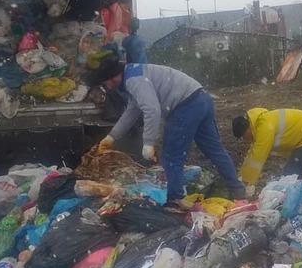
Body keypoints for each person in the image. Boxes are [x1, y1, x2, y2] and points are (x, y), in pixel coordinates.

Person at [96, 61, 245, 204]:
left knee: (171, 156)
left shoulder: (134, 80)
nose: (107, 87)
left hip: (185, 105)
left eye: (105, 83)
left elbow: (152, 109)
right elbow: (132, 111)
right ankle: (238, 191)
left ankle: (175, 200)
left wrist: (148, 143)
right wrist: (111, 137)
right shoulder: (133, 74)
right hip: (201, 98)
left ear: (114, 77)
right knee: (214, 149)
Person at [233, 108, 302, 188]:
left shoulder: (264, 128)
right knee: (297, 172)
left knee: (292, 173)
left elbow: (257, 158)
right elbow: (252, 154)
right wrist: (241, 178)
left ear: (247, 129)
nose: (244, 139)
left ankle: (297, 196)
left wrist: (247, 184)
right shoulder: (260, 124)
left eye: (243, 136)